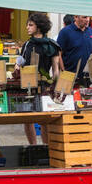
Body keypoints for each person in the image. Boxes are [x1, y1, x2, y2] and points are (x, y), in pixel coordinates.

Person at [17, 12, 61, 147]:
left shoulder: (52, 45)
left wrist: (56, 87)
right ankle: (33, 147)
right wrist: (17, 68)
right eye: (27, 25)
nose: (27, 28)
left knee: (44, 119)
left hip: (45, 85)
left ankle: (46, 147)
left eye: (30, 25)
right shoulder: (27, 45)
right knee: (28, 119)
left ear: (39, 27)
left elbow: (56, 70)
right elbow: (19, 64)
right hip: (27, 85)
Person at [57, 14, 92, 81]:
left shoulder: (90, 31)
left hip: (87, 78)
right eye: (84, 17)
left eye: (89, 17)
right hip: (68, 76)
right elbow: (58, 54)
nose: (87, 19)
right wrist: (63, 72)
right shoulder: (65, 32)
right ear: (75, 17)